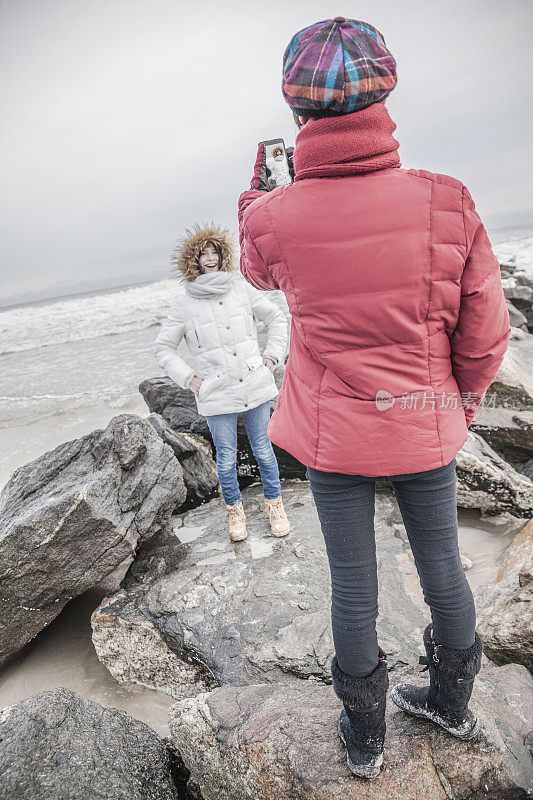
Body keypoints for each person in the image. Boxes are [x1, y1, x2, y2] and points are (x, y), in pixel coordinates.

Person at [237, 17, 511, 779]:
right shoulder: (445, 199)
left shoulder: (275, 214)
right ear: (383, 92)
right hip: (423, 423)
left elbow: (256, 272)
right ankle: (450, 704)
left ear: (297, 112)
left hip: (333, 436)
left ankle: (365, 738)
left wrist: (255, 193)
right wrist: (455, 407)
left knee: (352, 581)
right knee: (442, 567)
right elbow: (486, 333)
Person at [154, 223, 290, 541]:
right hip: (216, 392)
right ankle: (235, 513)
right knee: (226, 458)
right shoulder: (184, 304)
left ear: (222, 255)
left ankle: (275, 506)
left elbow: (276, 317)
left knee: (264, 450)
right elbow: (163, 347)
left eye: (214, 251)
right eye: (203, 253)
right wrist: (188, 378)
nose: (210, 257)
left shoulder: (240, 288)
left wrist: (271, 357)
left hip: (254, 383)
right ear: (194, 260)